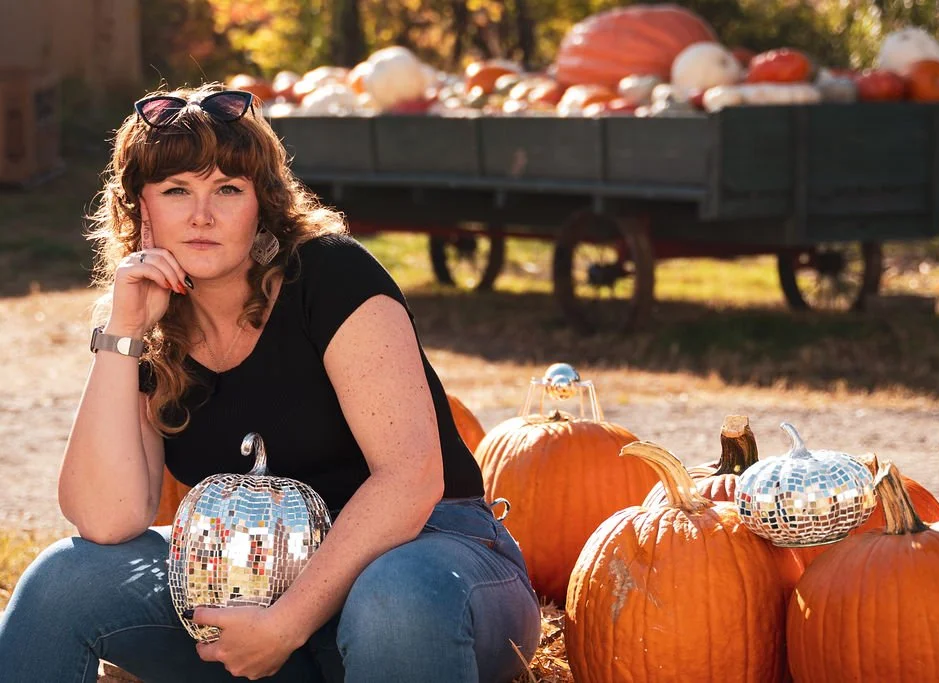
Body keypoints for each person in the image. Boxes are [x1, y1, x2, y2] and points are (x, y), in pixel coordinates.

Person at [0, 84, 541, 682]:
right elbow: (107, 522)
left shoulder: (330, 275)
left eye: (227, 189)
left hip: (429, 567)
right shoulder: (149, 327)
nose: (201, 215)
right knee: (63, 580)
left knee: (393, 598)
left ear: (264, 203)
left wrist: (286, 623)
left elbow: (411, 481)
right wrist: (122, 334)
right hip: (253, 591)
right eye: (177, 190)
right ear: (140, 210)